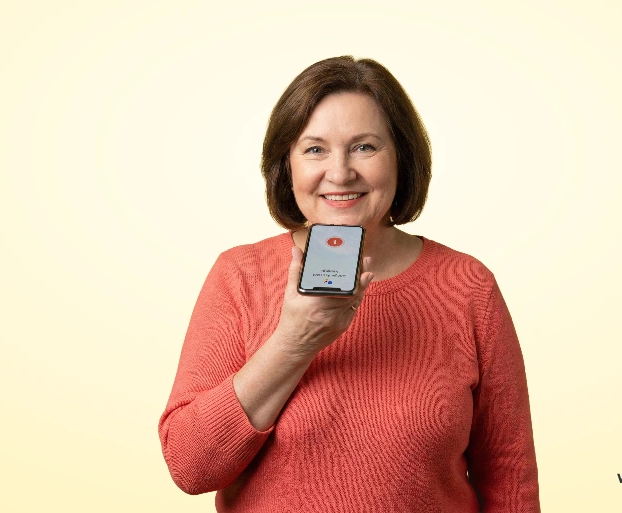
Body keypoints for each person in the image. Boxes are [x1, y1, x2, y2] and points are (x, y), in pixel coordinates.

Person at [158, 55, 540, 512]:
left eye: (364, 147)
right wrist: (293, 343)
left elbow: (511, 482)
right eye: (314, 150)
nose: (340, 173)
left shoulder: (467, 286)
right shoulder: (240, 276)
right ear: (286, 165)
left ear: (401, 158)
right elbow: (190, 466)